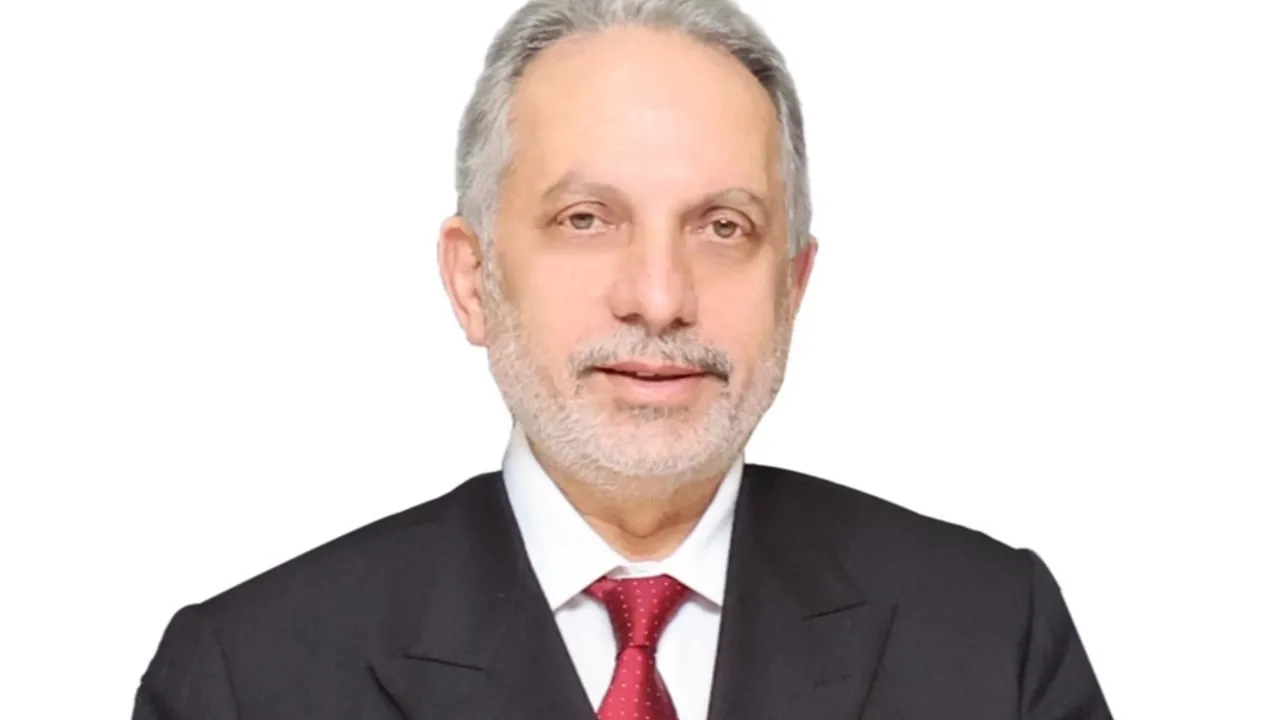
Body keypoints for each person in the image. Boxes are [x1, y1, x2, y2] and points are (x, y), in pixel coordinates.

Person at [132, 1, 1111, 718]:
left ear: (793, 288)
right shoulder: (246, 679)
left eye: (722, 227)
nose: (658, 296)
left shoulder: (992, 635)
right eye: (586, 220)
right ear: (473, 281)